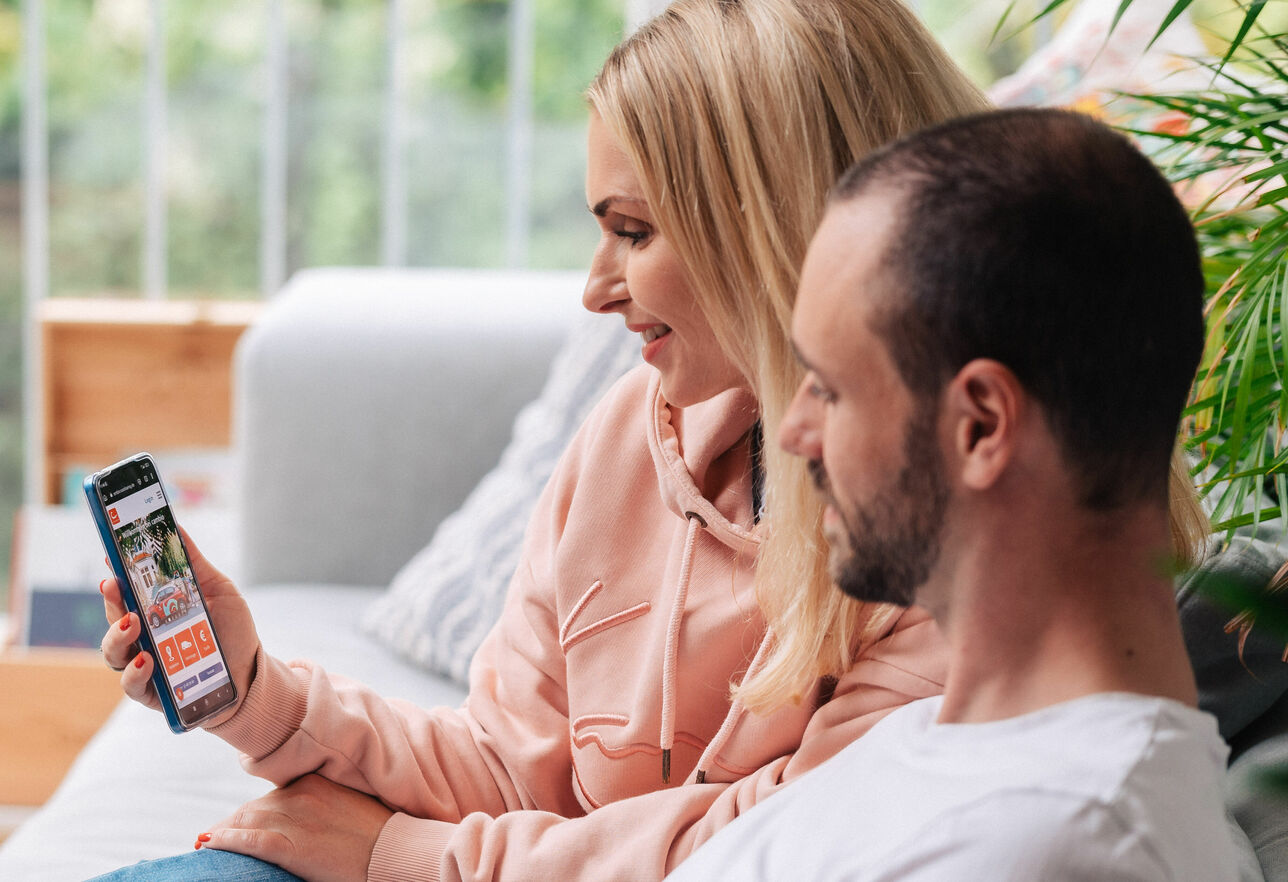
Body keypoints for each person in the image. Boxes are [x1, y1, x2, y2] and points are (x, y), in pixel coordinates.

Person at [90, 4, 1204, 880]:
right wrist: (252, 694)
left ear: (769, 226)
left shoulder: (954, 562)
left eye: (633, 229)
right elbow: (512, 761)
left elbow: (756, 845)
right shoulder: (643, 435)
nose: (593, 289)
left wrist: (403, 858)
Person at [665, 107, 1245, 880]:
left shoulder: (1062, 840)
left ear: (980, 425)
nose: (796, 431)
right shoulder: (948, 756)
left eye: (830, 389)